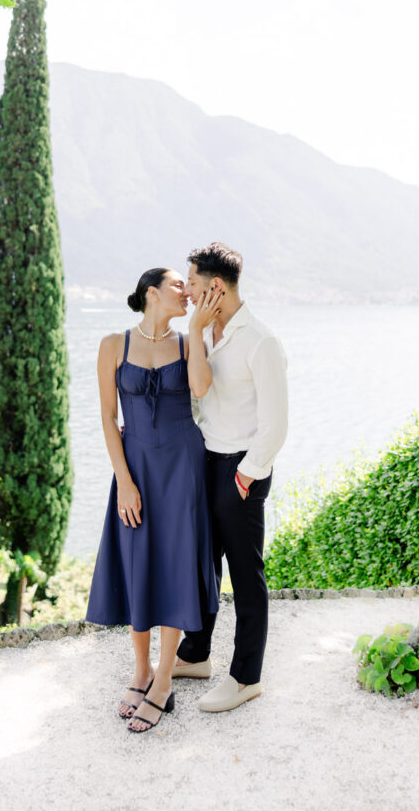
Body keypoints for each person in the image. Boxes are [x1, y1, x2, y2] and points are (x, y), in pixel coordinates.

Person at [85, 267, 219, 733]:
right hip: (136, 469)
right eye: (179, 286)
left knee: (176, 568)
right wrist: (123, 479)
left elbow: (201, 389)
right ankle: (139, 671)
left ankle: (163, 680)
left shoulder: (187, 343)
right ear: (151, 294)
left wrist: (199, 331)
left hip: (184, 471)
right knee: (139, 563)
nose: (189, 292)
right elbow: (107, 418)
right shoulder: (112, 346)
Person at [173, 242, 288, 712]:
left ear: (216, 287)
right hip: (206, 462)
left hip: (240, 470)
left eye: (195, 286)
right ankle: (197, 655)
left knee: (245, 576)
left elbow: (275, 424)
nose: (189, 293)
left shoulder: (261, 341)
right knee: (203, 565)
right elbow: (198, 395)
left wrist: (245, 476)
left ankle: (245, 678)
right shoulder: (205, 332)